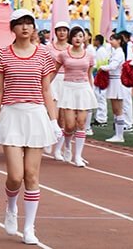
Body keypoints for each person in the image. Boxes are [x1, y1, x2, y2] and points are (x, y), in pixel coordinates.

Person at [0, 9, 61, 246]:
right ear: (12, 28)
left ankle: (29, 227)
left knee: (31, 176)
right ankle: (11, 207)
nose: (25, 27)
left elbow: (46, 89)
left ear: (33, 27)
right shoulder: (2, 55)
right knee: (15, 176)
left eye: (29, 23)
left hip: (36, 115)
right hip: (11, 115)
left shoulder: (43, 54)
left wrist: (53, 121)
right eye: (19, 24)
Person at [52, 26, 97, 167]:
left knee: (81, 123)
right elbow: (54, 71)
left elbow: (89, 75)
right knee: (69, 125)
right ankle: (66, 147)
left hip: (83, 89)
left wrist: (91, 90)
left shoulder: (89, 55)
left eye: (80, 36)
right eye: (75, 36)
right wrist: (45, 85)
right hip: (68, 89)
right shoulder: (63, 55)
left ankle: (78, 156)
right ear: (71, 39)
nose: (78, 39)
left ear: (84, 38)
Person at [46, 21, 69, 160]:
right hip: (53, 81)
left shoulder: (72, 49)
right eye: (59, 30)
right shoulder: (49, 48)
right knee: (51, 115)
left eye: (64, 30)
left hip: (67, 83)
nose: (61, 33)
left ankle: (58, 150)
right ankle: (49, 140)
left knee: (63, 119)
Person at [103, 33, 129, 143]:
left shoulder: (119, 53)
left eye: (112, 40)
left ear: (119, 41)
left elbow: (113, 67)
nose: (111, 42)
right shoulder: (115, 52)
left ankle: (120, 135)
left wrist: (102, 67)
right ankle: (118, 133)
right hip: (113, 81)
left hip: (117, 81)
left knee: (118, 109)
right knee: (115, 109)